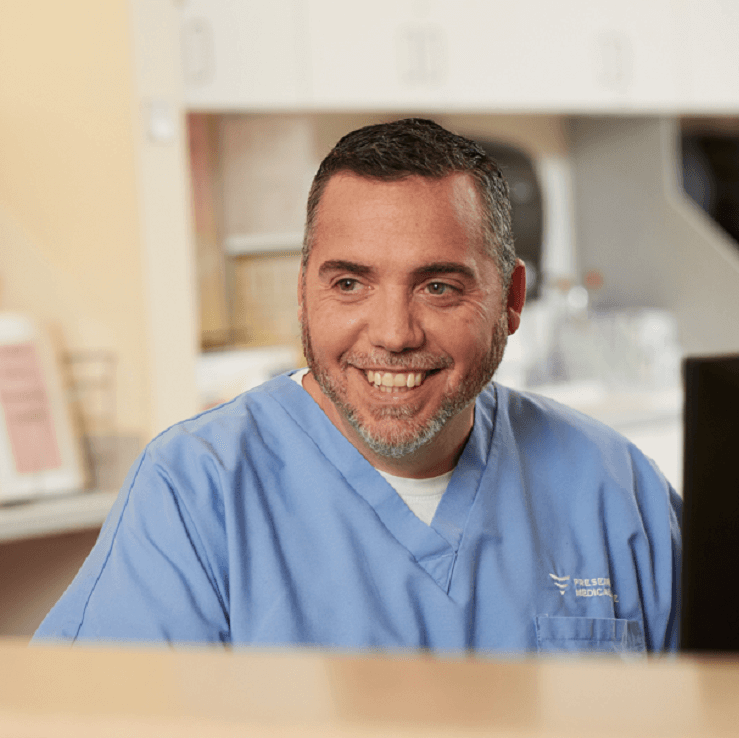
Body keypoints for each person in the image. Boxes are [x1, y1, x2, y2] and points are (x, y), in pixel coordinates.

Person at [35, 118, 681, 653]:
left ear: (510, 300)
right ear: (302, 295)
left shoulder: (614, 492)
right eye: (349, 284)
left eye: (438, 286)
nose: (394, 333)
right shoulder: (197, 493)